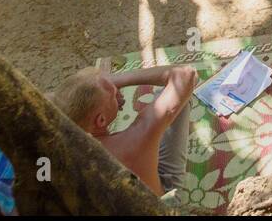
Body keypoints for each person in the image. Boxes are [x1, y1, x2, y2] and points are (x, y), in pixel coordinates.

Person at [52, 64, 197, 196]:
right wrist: (118, 79)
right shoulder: (133, 139)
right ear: (101, 120)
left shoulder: (54, 137)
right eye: (114, 94)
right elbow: (186, 75)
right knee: (175, 97)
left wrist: (106, 93)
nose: (118, 93)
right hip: (156, 206)